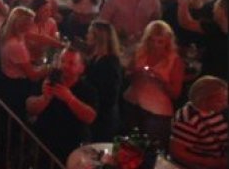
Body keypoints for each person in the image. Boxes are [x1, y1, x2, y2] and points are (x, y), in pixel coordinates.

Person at [25, 47, 98, 163]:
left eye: (71, 63)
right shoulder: (49, 81)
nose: (64, 66)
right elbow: (30, 108)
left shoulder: (88, 90)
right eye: (62, 61)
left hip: (72, 145)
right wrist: (45, 98)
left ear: (81, 68)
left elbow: (90, 117)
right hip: (44, 142)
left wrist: (70, 99)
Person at [123, 20, 185, 149]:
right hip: (132, 104)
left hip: (156, 113)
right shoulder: (140, 53)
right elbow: (127, 75)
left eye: (160, 41)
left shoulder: (174, 61)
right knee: (128, 147)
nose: (155, 45)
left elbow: (176, 93)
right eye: (151, 40)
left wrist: (161, 80)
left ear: (167, 41)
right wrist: (134, 73)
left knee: (150, 149)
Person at [169, 76, 228, 169]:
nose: (225, 104)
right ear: (204, 100)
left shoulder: (215, 110)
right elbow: (177, 152)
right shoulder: (188, 119)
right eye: (220, 101)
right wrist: (209, 162)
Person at [83, 20, 123, 141]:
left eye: (90, 33)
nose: (86, 35)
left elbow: (110, 96)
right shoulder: (95, 57)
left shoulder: (110, 63)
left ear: (98, 37)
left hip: (103, 118)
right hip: (94, 111)